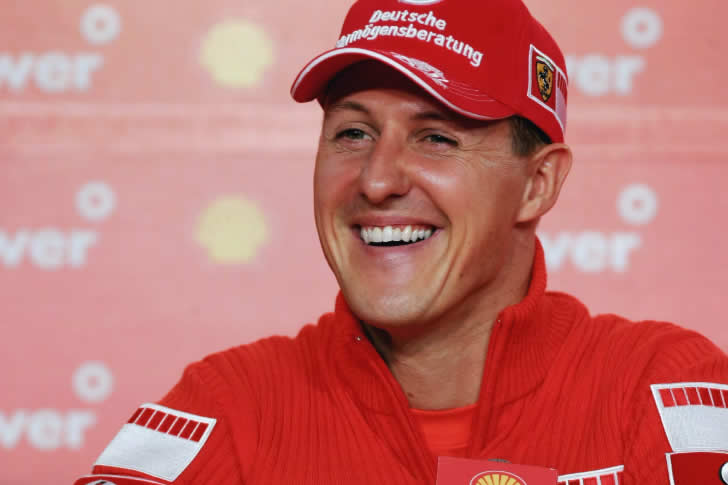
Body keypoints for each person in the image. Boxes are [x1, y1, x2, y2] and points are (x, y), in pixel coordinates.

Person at [74, 0, 728, 484]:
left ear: (537, 185)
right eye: (352, 133)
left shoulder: (660, 389)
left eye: (436, 137)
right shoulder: (229, 406)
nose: (377, 180)